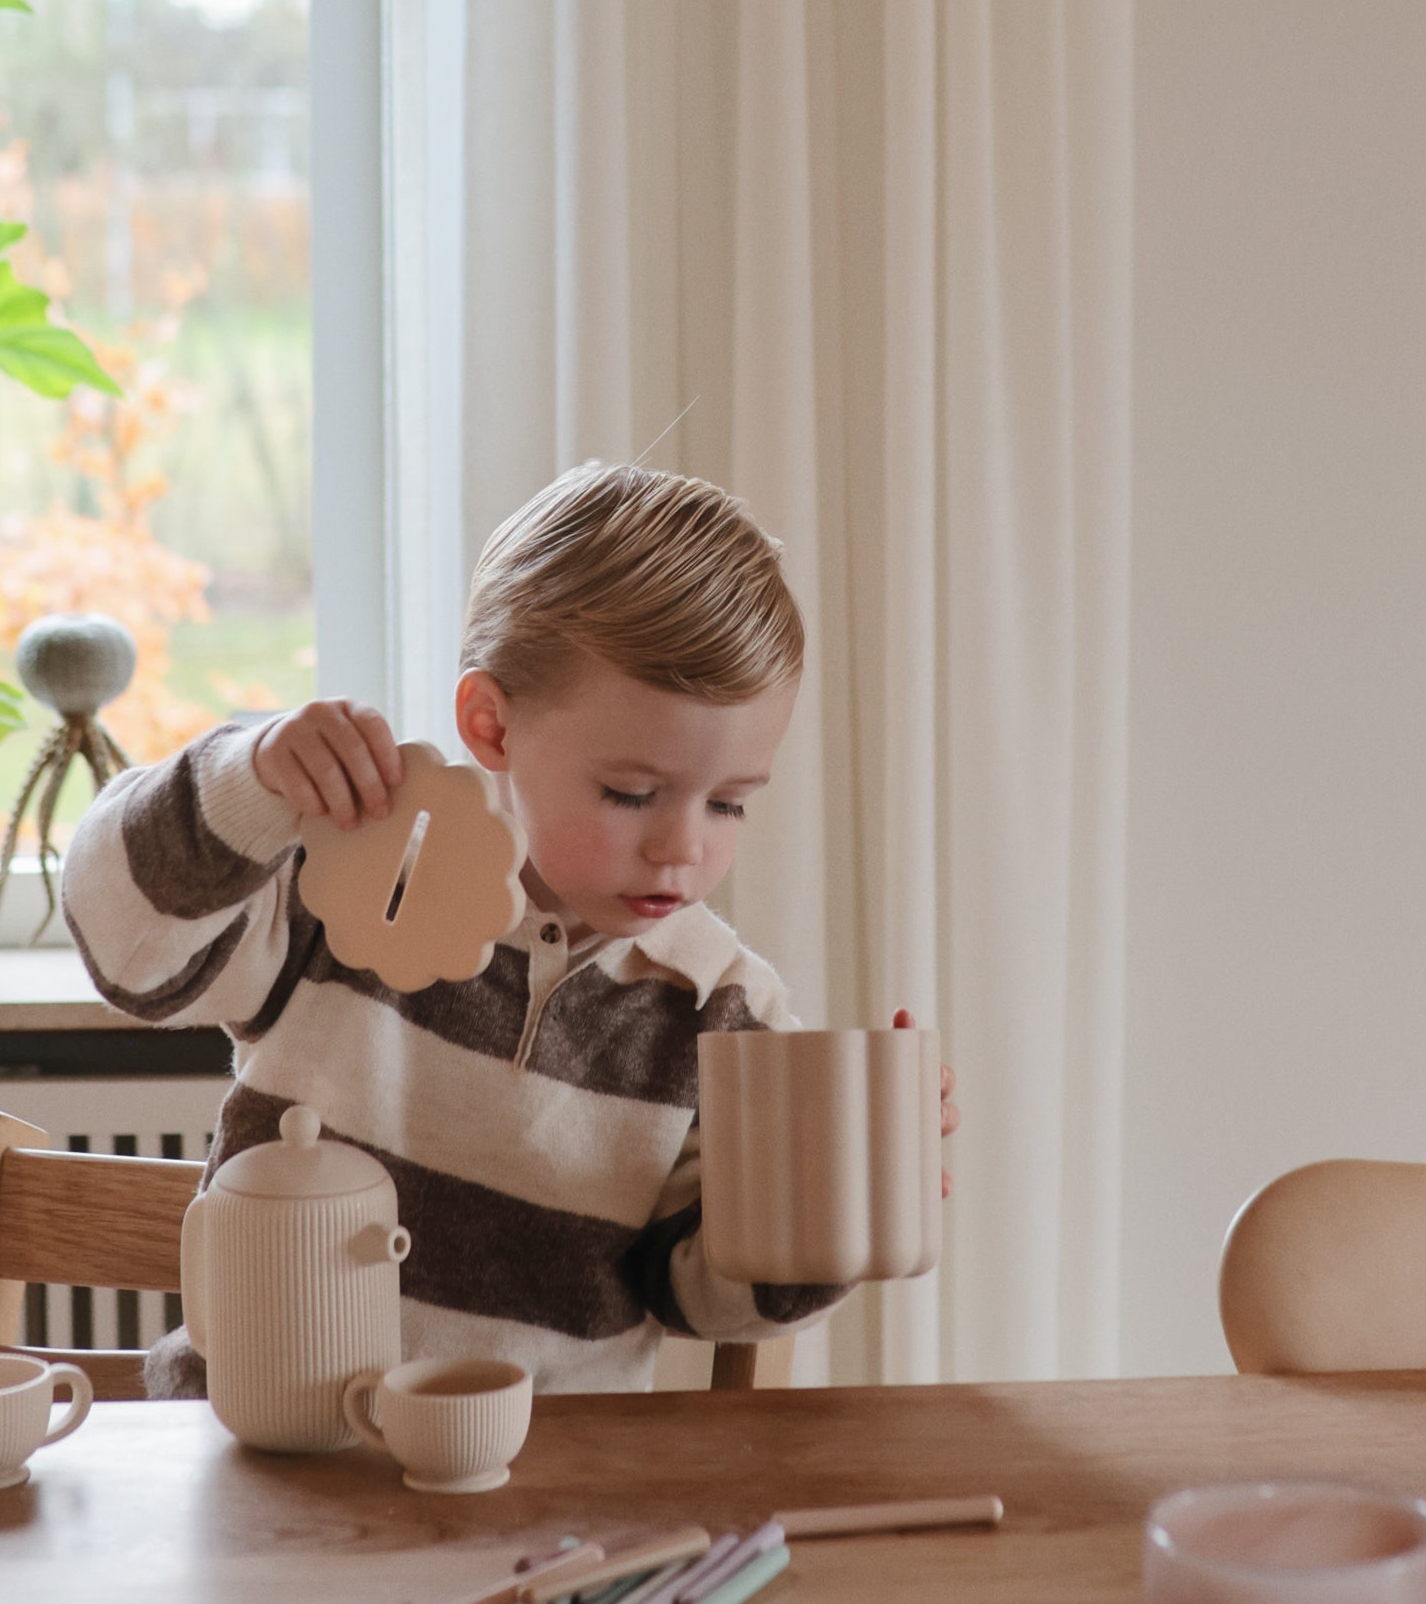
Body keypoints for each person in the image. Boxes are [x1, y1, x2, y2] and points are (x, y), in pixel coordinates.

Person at [61, 462, 958, 1393]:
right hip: (261, 1462)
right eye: (631, 793)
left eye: (730, 805)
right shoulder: (348, 873)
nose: (680, 850)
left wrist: (829, 1208)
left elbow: (690, 1295)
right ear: (492, 727)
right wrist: (245, 782)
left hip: (537, 1497)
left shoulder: (718, 1009)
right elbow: (128, 950)